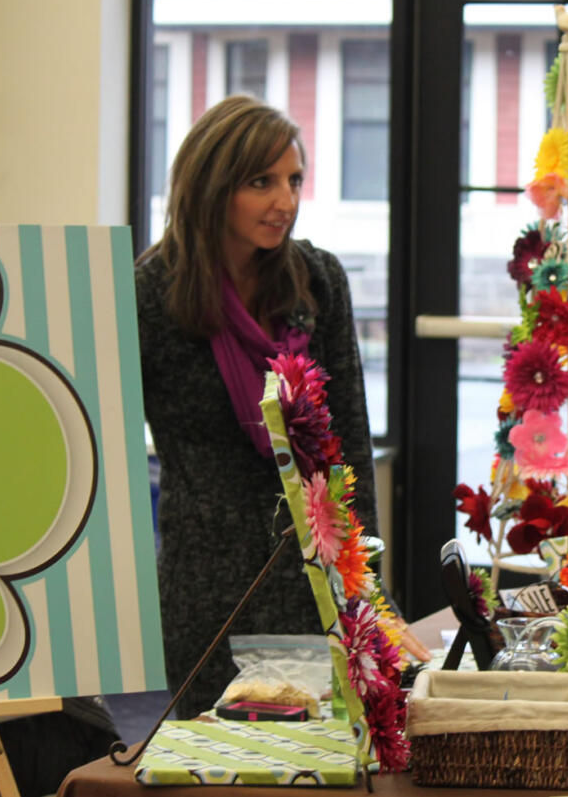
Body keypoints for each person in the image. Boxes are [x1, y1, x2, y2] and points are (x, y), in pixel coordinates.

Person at [134, 95, 423, 721]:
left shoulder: (317, 281)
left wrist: (365, 584)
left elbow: (346, 439)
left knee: (329, 758)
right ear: (213, 186)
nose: (285, 201)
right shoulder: (149, 294)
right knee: (216, 771)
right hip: (205, 590)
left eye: (294, 180)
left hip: (313, 579)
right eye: (262, 182)